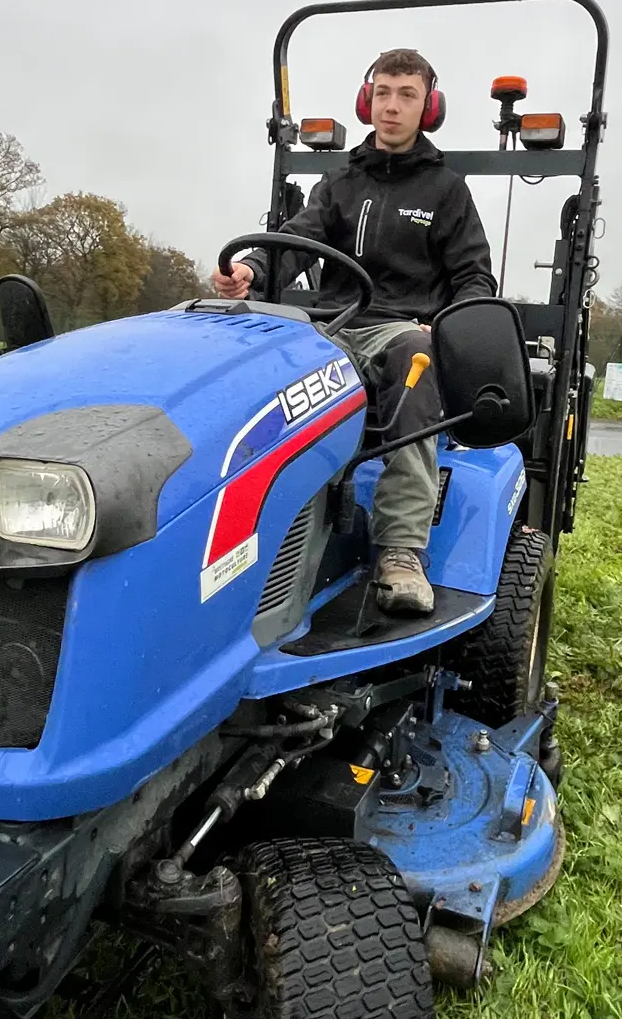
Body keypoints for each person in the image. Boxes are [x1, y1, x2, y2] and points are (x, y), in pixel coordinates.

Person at [212, 48, 497, 615]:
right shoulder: (339, 183)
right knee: (264, 362)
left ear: (428, 107)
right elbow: (296, 242)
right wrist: (252, 271)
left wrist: (441, 327)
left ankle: (400, 552)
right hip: (331, 328)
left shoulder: (447, 191)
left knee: (418, 356)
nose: (392, 106)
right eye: (384, 93)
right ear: (367, 101)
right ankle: (245, 539)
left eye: (407, 95)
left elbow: (474, 278)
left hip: (401, 331)